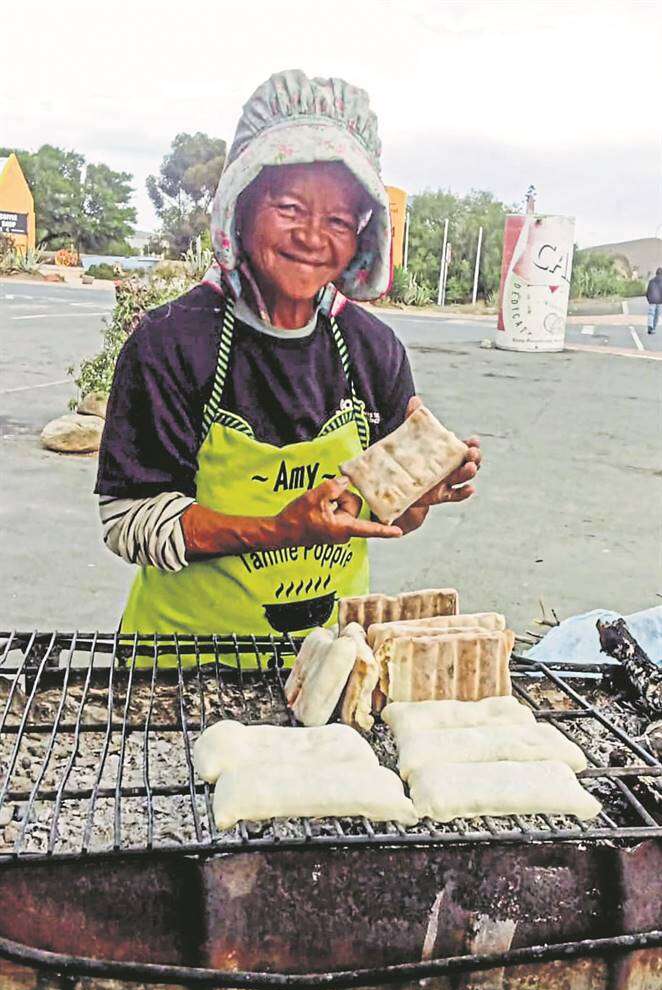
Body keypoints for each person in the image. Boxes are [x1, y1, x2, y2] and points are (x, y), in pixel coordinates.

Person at [95, 70, 481, 655]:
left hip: (326, 664)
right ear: (242, 205)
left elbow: (386, 519)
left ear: (360, 237)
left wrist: (416, 498)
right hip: (174, 667)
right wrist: (281, 529)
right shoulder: (171, 343)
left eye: (338, 220)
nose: (312, 236)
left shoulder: (373, 349)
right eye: (290, 206)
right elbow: (128, 520)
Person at [646, 266, 662, 334]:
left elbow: (647, 292)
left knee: (651, 314)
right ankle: (653, 328)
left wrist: (649, 299)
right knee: (656, 315)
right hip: (659, 301)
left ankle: (650, 326)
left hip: (652, 300)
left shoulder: (651, 281)